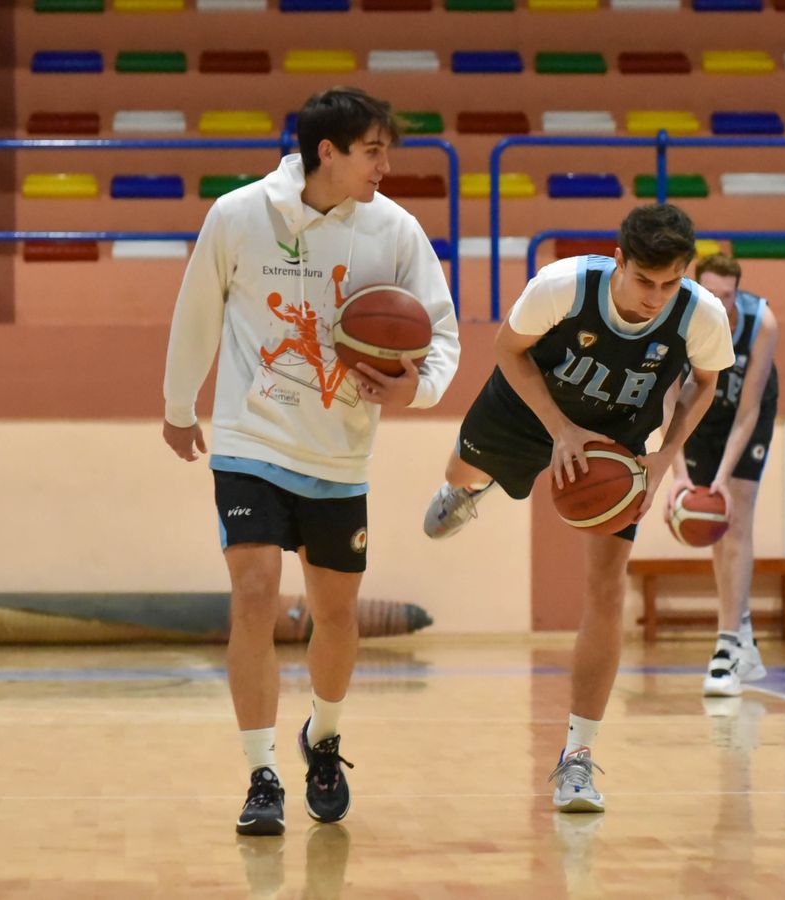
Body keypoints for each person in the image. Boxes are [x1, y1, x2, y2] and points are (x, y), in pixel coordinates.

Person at [161, 87, 461, 836]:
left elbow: (444, 334)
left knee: (334, 615)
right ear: (324, 151)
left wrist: (415, 386)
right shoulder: (237, 215)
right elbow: (196, 311)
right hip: (249, 439)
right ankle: (262, 773)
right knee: (255, 592)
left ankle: (322, 738)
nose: (386, 166)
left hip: (340, 449)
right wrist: (177, 407)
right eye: (373, 151)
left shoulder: (394, 229)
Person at [421, 203, 735, 812]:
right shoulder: (562, 287)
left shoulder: (702, 314)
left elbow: (705, 384)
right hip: (530, 406)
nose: (655, 298)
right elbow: (506, 349)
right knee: (460, 468)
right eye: (644, 281)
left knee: (606, 588)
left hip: (620, 434)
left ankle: (577, 759)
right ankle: (471, 488)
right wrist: (559, 428)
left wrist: (665, 455)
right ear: (619, 261)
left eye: (670, 284)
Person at [661, 254, 779, 697]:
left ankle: (727, 647)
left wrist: (722, 480)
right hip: (700, 413)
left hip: (746, 414)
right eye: (712, 293)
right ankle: (741, 631)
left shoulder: (761, 322)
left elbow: (748, 410)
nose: (720, 303)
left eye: (728, 296)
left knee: (736, 514)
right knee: (713, 524)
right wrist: (678, 474)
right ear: (697, 288)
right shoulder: (678, 319)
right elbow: (668, 402)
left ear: (738, 293)